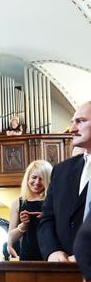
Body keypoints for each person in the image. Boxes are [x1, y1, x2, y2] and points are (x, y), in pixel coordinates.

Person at [38, 102, 91, 262]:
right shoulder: (61, 170)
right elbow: (47, 219)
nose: (72, 129)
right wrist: (52, 251)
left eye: (80, 121)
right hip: (63, 268)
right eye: (72, 122)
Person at [8, 160, 52, 260]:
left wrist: (47, 219)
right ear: (28, 178)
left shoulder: (53, 201)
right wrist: (24, 225)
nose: (37, 182)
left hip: (50, 255)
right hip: (27, 257)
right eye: (34, 177)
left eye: (41, 179)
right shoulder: (17, 203)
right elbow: (11, 237)